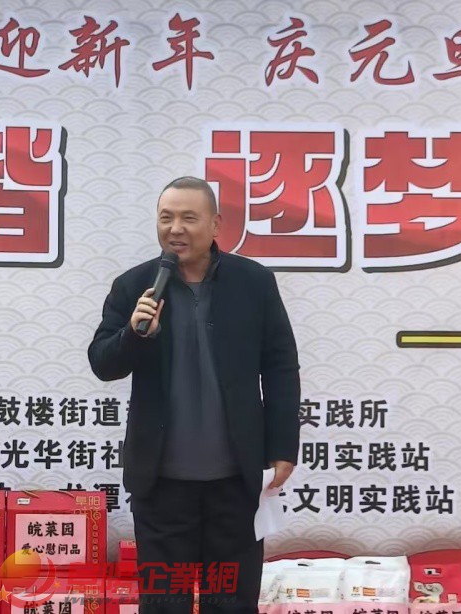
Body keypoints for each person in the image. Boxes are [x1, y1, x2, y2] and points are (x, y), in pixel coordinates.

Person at [88, 176, 301, 614]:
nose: (176, 229)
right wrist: (133, 334)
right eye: (166, 218)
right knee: (165, 603)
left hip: (236, 482)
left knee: (232, 602)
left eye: (189, 218)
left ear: (216, 224)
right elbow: (103, 364)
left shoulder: (254, 283)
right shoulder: (134, 286)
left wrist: (282, 446)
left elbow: (281, 367)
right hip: (161, 486)